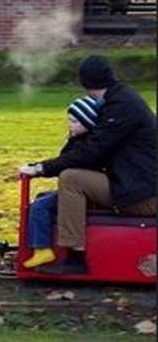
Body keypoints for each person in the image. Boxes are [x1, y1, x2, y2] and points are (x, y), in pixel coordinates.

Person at [19, 55, 158, 274]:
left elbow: (91, 151)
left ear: (85, 82)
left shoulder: (120, 107)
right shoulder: (123, 99)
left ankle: (75, 258)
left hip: (142, 196)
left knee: (71, 179)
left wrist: (41, 168)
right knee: (59, 190)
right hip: (136, 187)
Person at [21, 96, 101, 269]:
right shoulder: (81, 141)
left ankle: (42, 250)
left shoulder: (85, 146)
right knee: (42, 198)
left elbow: (66, 163)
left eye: (74, 121)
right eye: (69, 121)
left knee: (40, 206)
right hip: (84, 191)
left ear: (88, 123)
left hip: (84, 194)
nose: (70, 125)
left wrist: (39, 169)